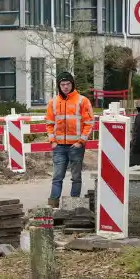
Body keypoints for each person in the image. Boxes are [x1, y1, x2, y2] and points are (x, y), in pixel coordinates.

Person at [44, 71, 93, 208]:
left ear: (72, 84)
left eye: (68, 84)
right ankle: (53, 204)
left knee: (76, 177)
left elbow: (89, 123)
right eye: (62, 84)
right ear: (59, 86)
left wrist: (80, 142)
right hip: (59, 146)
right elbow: (49, 123)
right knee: (57, 177)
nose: (65, 87)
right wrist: (52, 141)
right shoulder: (53, 102)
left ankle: (73, 205)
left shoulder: (82, 101)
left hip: (76, 146)